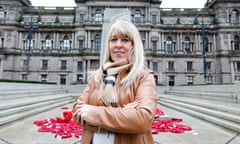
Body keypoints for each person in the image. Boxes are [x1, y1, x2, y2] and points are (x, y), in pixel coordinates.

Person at [72, 20, 157, 144]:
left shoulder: (143, 76)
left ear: (134, 46)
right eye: (113, 40)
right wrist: (125, 113)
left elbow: (143, 120)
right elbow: (76, 111)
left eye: (125, 40)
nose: (118, 45)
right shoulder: (97, 76)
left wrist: (92, 113)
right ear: (108, 45)